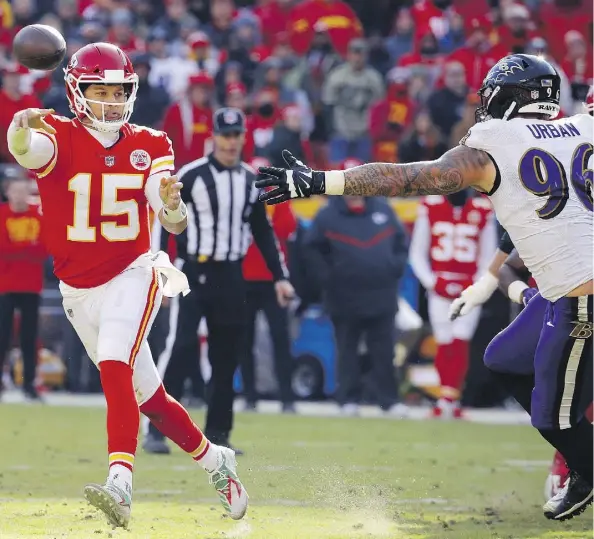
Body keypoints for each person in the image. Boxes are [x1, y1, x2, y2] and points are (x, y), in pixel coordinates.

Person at [255, 53, 593, 521]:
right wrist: (498, 276)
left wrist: (320, 180)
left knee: (552, 419)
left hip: (581, 299)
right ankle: (584, 462)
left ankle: (586, 470)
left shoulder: (493, 142)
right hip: (564, 292)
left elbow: (407, 178)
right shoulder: (584, 129)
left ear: (509, 99)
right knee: (503, 359)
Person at [7, 42, 248, 529]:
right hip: (77, 290)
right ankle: (215, 460)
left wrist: (173, 206)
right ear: (78, 92)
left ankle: (120, 482)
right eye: (102, 91)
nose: (113, 101)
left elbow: (171, 220)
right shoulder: (57, 135)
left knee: (115, 362)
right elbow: (22, 149)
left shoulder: (152, 143)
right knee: (149, 400)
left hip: (132, 273)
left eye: (120, 91)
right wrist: (18, 125)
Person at [151, 107, 294, 455]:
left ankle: (218, 433)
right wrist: (160, 271)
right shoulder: (192, 175)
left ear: (244, 137)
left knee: (226, 355)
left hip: (231, 274)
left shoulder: (250, 180)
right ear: (213, 136)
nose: (231, 142)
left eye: (236, 135)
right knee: (182, 347)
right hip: (193, 272)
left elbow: (263, 231)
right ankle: (156, 430)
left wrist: (280, 277)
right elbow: (163, 223)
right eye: (225, 135)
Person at [304, 192, 409, 416]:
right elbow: (311, 250)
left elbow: (401, 241)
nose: (354, 190)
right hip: (344, 295)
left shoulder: (383, 209)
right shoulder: (327, 215)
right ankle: (348, 399)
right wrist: (328, 278)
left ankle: (389, 401)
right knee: (346, 349)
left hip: (382, 293)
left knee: (384, 350)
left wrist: (394, 267)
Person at [409, 191, 496, 418]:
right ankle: (448, 400)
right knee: (445, 341)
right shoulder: (430, 205)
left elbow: (488, 256)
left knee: (460, 340)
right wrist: (432, 282)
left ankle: (448, 400)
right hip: (440, 285)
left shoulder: (482, 209)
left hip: (468, 286)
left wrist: (475, 284)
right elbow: (417, 253)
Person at [0, 172, 46, 400]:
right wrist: (29, 248)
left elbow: (44, 249)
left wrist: (22, 250)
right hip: (5, 286)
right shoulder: (2, 215)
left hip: (30, 286)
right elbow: (3, 249)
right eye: (15, 191)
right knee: (2, 336)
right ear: (7, 192)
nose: (19, 196)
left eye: (23, 191)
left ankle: (29, 384)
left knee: (30, 337)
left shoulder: (38, 216)